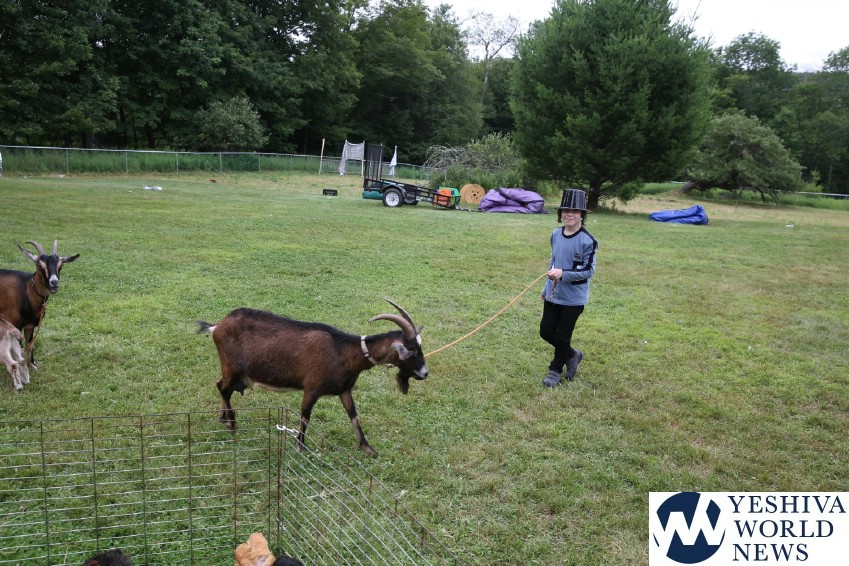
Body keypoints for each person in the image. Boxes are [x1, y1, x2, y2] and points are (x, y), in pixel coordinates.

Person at [540, 188, 598, 387]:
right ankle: (572, 354)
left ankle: (555, 370)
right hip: (553, 294)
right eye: (565, 210)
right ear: (560, 213)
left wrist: (563, 273)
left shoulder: (588, 241)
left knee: (563, 336)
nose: (569, 214)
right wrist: (545, 288)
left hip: (573, 299)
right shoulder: (555, 234)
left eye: (574, 211)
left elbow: (588, 270)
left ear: (582, 214)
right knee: (546, 331)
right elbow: (553, 262)